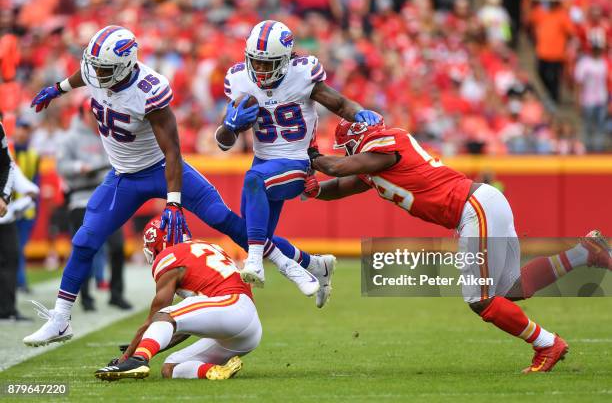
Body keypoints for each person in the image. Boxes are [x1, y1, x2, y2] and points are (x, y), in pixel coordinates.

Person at [24, 25, 333, 348]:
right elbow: (84, 75)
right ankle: (60, 319)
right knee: (85, 239)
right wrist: (58, 88)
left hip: (162, 169)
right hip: (123, 176)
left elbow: (172, 151)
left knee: (227, 222)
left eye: (104, 69)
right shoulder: (96, 71)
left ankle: (299, 265)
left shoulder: (148, 89)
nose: (96, 74)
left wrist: (173, 202)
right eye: (95, 66)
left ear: (125, 66)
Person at [304, 119, 612, 373]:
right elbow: (339, 184)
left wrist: (308, 154)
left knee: (479, 299)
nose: (347, 155)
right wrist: (314, 191)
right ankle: (584, 253)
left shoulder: (387, 148)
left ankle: (547, 344)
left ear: (358, 142)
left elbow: (337, 168)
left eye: (348, 149)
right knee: (512, 289)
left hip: (473, 208)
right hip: (482, 204)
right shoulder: (374, 166)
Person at [216, 20, 380, 295]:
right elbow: (223, 144)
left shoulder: (302, 74)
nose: (260, 69)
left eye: (268, 64)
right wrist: (229, 126)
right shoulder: (238, 79)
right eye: (255, 62)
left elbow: (339, 104)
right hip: (264, 162)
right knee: (251, 235)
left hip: (297, 162)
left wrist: (360, 112)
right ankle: (315, 265)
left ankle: (255, 262)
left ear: (286, 58)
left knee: (254, 184)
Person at [94, 218, 260, 381]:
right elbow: (185, 325)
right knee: (171, 367)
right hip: (247, 329)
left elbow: (157, 318)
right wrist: (145, 344)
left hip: (230, 305)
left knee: (164, 315)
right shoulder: (205, 246)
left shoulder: (169, 258)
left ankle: (137, 361)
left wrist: (127, 358)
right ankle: (216, 371)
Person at [56, 99, 131, 311]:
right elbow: (61, 166)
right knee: (85, 249)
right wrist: (80, 167)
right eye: (92, 113)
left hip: (108, 198)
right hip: (81, 198)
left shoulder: (108, 134)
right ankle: (86, 297)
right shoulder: (69, 138)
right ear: (82, 114)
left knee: (117, 248)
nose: (95, 115)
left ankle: (116, 294)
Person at [0, 121, 39, 321]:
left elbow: (9, 166)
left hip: (5, 217)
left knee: (12, 259)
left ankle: (7, 310)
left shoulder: (1, 134)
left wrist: (7, 201)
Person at [12, 119, 40, 294]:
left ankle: (19, 282)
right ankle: (18, 282)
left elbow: (36, 182)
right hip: (7, 209)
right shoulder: (7, 151)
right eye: (21, 129)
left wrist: (35, 208)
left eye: (26, 130)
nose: (23, 133)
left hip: (25, 209)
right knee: (14, 248)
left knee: (18, 247)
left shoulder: (34, 155)